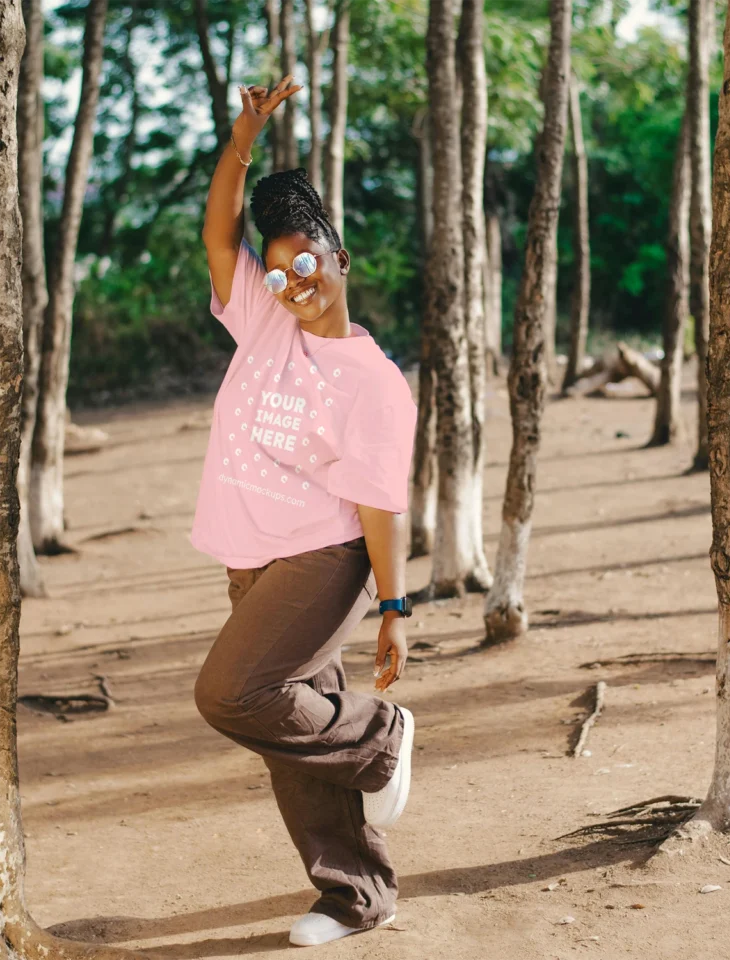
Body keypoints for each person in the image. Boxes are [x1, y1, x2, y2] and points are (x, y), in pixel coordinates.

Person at [188, 74, 418, 948]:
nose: (292, 283)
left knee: (235, 692)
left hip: (324, 559)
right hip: (251, 555)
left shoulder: (373, 383)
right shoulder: (262, 320)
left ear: (341, 259)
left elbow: (378, 502)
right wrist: (244, 136)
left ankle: (381, 739)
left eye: (307, 264)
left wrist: (394, 608)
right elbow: (217, 230)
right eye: (278, 271)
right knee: (291, 721)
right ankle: (355, 895)